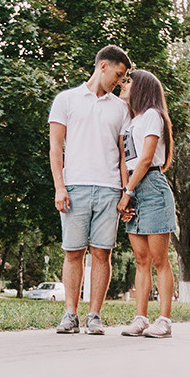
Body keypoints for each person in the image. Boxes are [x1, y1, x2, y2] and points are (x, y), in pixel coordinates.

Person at [48, 45, 132, 334]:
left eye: (124, 78)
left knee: (102, 253)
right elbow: (55, 147)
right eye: (118, 75)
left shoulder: (121, 108)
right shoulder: (66, 100)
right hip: (74, 186)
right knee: (73, 252)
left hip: (109, 189)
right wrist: (59, 186)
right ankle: (70, 314)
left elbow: (124, 155)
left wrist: (125, 192)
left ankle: (94, 315)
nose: (119, 82)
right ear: (103, 66)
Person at [117, 70, 177, 338]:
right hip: (132, 187)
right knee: (141, 260)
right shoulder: (131, 120)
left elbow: (145, 158)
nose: (123, 84)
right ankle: (141, 318)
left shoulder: (153, 115)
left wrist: (128, 192)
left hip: (151, 186)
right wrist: (125, 192)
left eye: (129, 81)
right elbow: (124, 160)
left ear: (141, 87)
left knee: (160, 260)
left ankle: (164, 320)